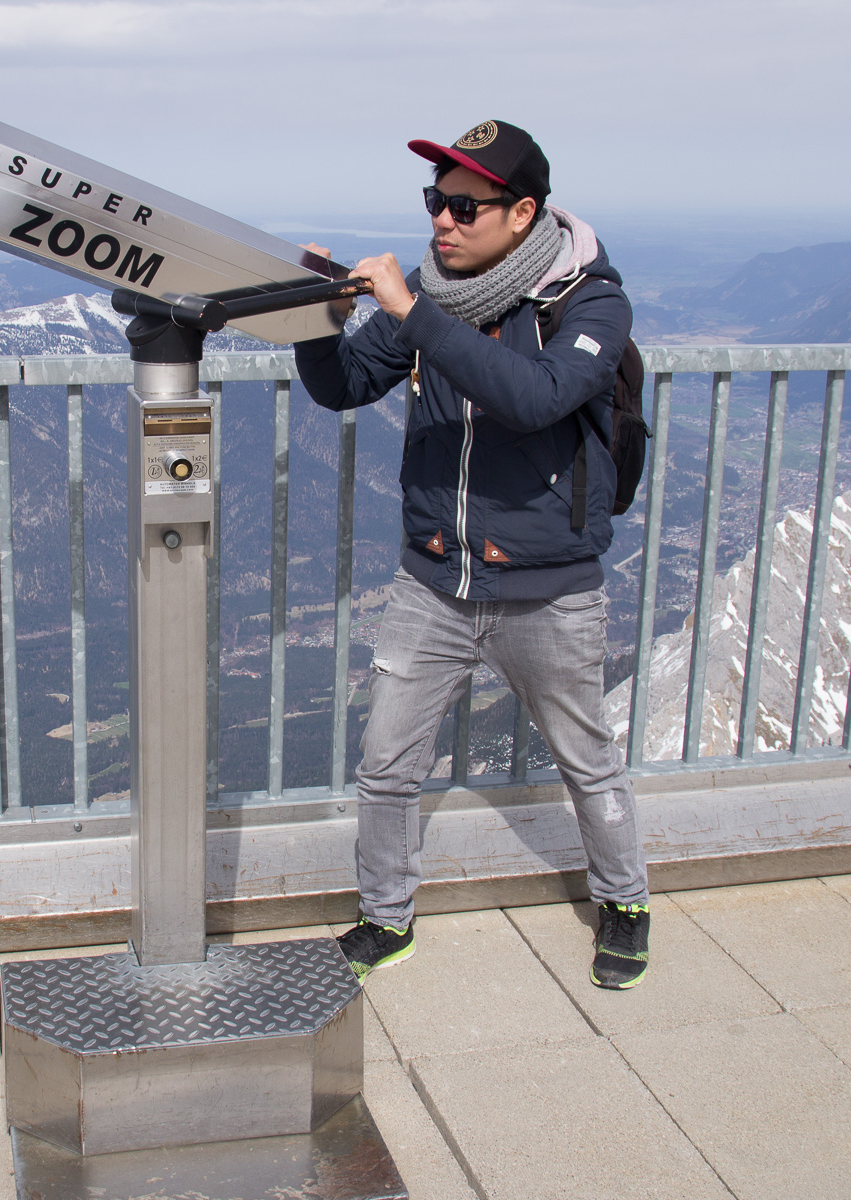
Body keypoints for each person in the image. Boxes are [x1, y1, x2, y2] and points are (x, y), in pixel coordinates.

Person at [296, 119, 650, 989]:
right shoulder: (433, 293)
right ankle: (385, 918)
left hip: (548, 589)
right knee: (387, 765)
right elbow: (344, 385)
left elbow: (534, 398)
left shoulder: (589, 302)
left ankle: (626, 902)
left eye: (464, 206)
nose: (441, 222)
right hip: (434, 580)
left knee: (587, 760)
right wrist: (315, 319)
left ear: (523, 213)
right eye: (435, 201)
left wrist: (414, 314)